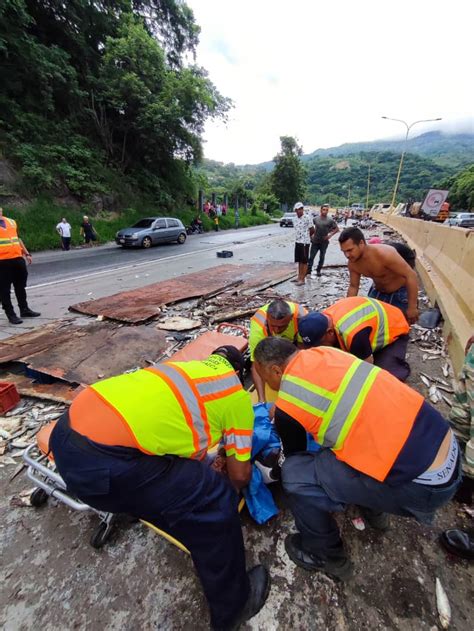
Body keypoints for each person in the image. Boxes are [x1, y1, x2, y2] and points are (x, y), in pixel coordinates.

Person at [49, 345, 270, 630]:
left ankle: (146, 505)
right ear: (240, 374)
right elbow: (239, 475)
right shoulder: (236, 398)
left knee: (177, 479)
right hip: (102, 466)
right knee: (216, 497)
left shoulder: (179, 371)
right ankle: (235, 605)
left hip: (66, 434)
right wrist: (233, 477)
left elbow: (168, 430)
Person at [253, 338, 461, 581]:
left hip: (424, 486)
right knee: (346, 443)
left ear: (275, 370)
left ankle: (327, 556)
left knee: (295, 475)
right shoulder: (327, 353)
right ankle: (375, 512)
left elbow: (293, 456)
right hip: (446, 449)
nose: (267, 385)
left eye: (264, 376)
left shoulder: (288, 405)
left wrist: (280, 425)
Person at [298, 296, 411, 380]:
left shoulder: (353, 335)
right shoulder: (322, 320)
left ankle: (399, 371)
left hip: (394, 328)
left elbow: (366, 368)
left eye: (320, 344)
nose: (319, 348)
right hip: (369, 327)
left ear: (330, 333)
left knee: (385, 377)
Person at [339, 227, 419, 324]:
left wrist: (412, 307)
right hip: (377, 293)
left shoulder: (385, 254)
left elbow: (411, 275)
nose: (347, 255)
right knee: (372, 326)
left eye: (350, 250)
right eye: (344, 252)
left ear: (361, 243)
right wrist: (347, 309)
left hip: (399, 295)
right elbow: (353, 286)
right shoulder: (353, 263)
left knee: (399, 329)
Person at [249, 299, 307, 402]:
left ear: (290, 318)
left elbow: (303, 352)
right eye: (273, 326)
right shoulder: (258, 326)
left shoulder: (302, 317)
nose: (276, 330)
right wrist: (261, 400)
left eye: (281, 326)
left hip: (294, 341)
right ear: (267, 317)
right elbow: (256, 364)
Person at [0, 207, 41, 325]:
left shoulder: (11, 222)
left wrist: (26, 253)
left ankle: (24, 309)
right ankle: (11, 314)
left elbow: (17, 239)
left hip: (17, 258)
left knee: (20, 286)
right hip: (2, 261)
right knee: (4, 290)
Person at [307, 204, 339, 277]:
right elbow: (310, 227)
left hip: (324, 242)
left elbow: (337, 229)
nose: (325, 211)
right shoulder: (315, 219)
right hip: (315, 241)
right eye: (323, 209)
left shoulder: (330, 220)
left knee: (322, 257)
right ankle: (309, 270)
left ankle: (318, 270)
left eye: (326, 210)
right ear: (321, 210)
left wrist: (329, 235)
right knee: (311, 256)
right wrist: (311, 236)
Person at [292, 202, 312, 285]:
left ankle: (302, 279)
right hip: (298, 241)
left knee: (304, 261)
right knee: (299, 260)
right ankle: (299, 277)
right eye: (297, 210)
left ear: (303, 209)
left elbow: (312, 229)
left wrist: (307, 237)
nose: (299, 211)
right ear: (295, 210)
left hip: (305, 242)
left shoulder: (307, 218)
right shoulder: (294, 219)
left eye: (301, 209)